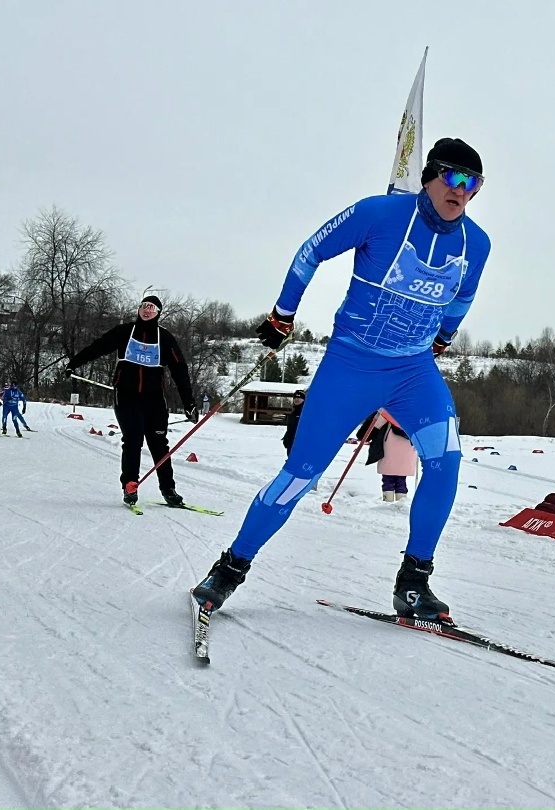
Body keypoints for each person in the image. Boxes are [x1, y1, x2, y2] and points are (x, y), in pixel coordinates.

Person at [193, 137, 491, 623]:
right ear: (430, 176)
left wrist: (444, 338)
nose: (463, 191)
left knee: (447, 459)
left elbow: (464, 296)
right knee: (301, 474)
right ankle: (228, 570)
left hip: (414, 370)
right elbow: (312, 250)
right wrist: (282, 313)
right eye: (455, 178)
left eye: (474, 183)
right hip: (351, 365)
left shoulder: (476, 243)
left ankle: (413, 583)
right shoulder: (380, 214)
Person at [66, 295, 199, 506]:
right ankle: (130, 485)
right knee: (133, 440)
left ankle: (168, 489)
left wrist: (189, 403)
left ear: (158, 313)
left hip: (154, 399)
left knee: (159, 444)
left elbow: (179, 370)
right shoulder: (125, 331)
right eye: (144, 307)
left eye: (152, 308)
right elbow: (98, 346)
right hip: (126, 396)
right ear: (139, 309)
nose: (147, 311)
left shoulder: (165, 338)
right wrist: (74, 363)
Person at [282, 389, 306, 457]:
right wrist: (286, 437)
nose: (297, 399)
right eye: (295, 397)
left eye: (299, 398)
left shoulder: (305, 412)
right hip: (291, 443)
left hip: (300, 444)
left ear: (303, 399)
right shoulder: (294, 412)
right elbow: (291, 427)